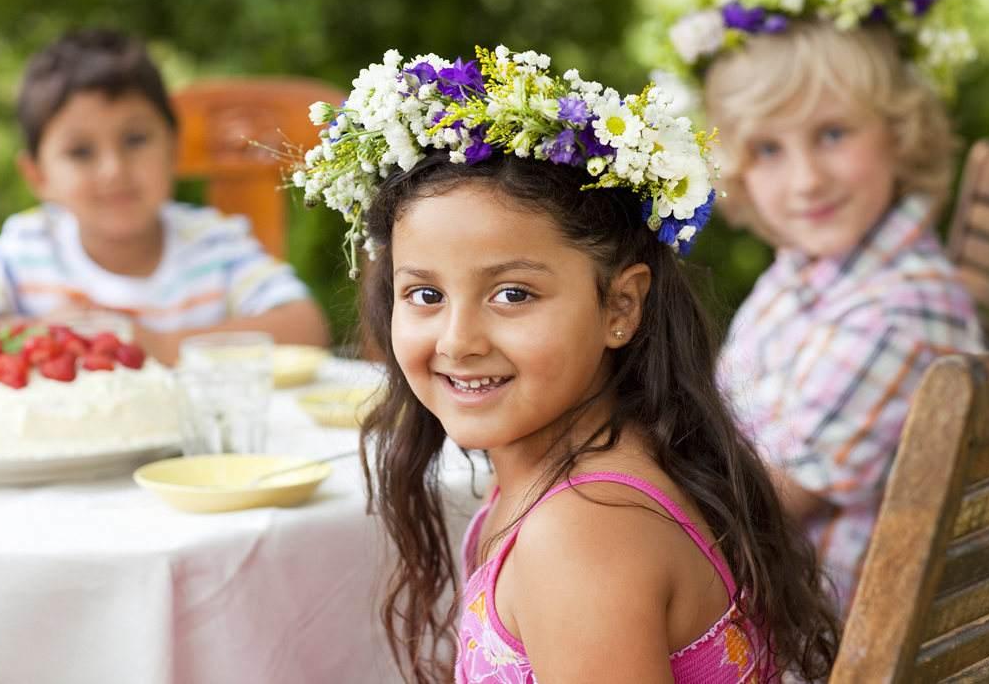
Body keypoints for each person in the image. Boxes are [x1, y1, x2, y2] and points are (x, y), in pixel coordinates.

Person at [293, 46, 838, 683]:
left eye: (513, 295)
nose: (458, 340)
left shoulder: (581, 535)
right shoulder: (606, 459)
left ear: (620, 305)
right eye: (426, 295)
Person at [659, 0, 985, 616]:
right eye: (769, 149)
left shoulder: (895, 316)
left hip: (801, 625)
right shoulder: (818, 267)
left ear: (898, 132)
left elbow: (759, 505)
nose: (807, 180)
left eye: (833, 133)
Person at [0, 28, 329, 363]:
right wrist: (38, 334)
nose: (113, 170)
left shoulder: (213, 243)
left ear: (173, 148)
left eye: (135, 140)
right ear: (38, 175)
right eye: (80, 152)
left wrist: (158, 345)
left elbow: (306, 327)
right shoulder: (27, 247)